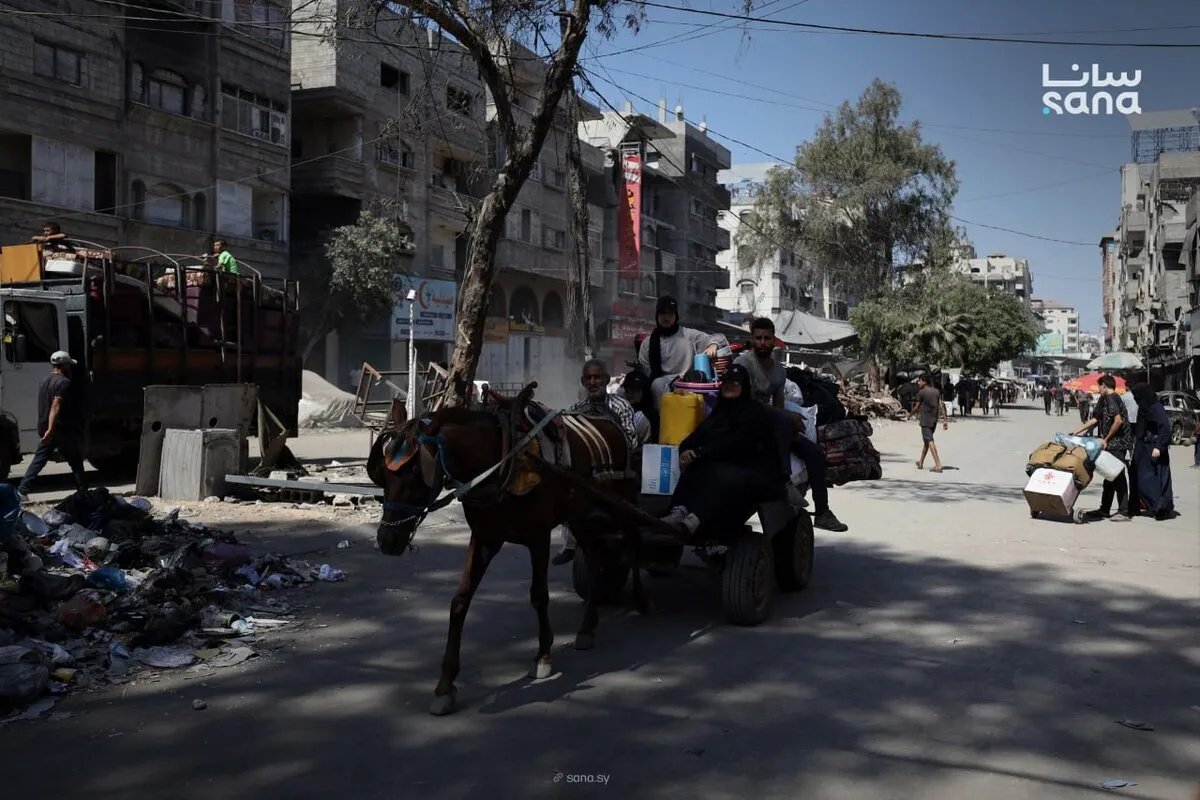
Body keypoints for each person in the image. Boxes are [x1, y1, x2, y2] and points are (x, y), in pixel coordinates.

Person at [734, 317, 847, 532]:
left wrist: (789, 417)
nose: (762, 342)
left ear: (774, 341)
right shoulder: (744, 364)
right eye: (758, 338)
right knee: (785, 422)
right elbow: (746, 403)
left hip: (770, 419)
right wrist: (785, 417)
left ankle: (822, 512)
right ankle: (784, 481)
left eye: (767, 338)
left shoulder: (779, 370)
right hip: (746, 419)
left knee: (813, 452)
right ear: (752, 339)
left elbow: (778, 403)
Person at [659, 364, 786, 536]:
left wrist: (701, 454)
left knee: (720, 474)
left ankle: (696, 519)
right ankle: (678, 511)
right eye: (726, 381)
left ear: (744, 386)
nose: (729, 385)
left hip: (752, 469)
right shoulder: (719, 411)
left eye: (735, 382)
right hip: (720, 463)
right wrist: (686, 450)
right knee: (696, 468)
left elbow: (738, 444)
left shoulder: (753, 412)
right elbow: (696, 435)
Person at [552, 359, 648, 566]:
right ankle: (569, 545)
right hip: (586, 471)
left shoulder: (621, 406)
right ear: (583, 382)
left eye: (597, 377)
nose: (593, 382)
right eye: (589, 378)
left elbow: (629, 441)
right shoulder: (576, 409)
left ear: (605, 380)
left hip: (617, 471)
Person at [17, 351, 87, 501]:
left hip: (45, 426)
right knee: (75, 459)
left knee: (39, 460)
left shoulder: (44, 380)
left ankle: (22, 491)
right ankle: (83, 491)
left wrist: (46, 429)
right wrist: (50, 430)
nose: (70, 367)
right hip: (59, 429)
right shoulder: (64, 383)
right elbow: (55, 406)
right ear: (65, 365)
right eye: (69, 364)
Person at [638, 296, 727, 407]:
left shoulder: (689, 335)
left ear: (676, 316)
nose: (666, 317)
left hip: (688, 382)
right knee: (656, 384)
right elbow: (646, 369)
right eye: (662, 313)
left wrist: (713, 345)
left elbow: (719, 338)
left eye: (670, 313)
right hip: (661, 385)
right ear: (657, 316)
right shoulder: (648, 343)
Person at [1071, 374, 1132, 520]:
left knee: (1117, 476)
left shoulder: (1113, 398)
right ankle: (1104, 509)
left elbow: (1118, 421)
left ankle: (1124, 511)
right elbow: (1095, 419)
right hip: (1110, 443)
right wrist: (1077, 432)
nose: (1098, 389)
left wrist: (1106, 439)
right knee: (1108, 476)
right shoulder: (1104, 400)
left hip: (1118, 443)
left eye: (1099, 386)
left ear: (1104, 385)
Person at [1129, 383, 1175, 520]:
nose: (1136, 399)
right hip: (1142, 447)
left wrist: (1159, 447)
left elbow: (1165, 429)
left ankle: (1160, 508)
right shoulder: (1143, 408)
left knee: (1156, 479)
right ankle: (1136, 506)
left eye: (1137, 396)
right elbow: (1139, 429)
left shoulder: (1156, 408)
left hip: (1154, 448)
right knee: (1136, 476)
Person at [908, 374, 948, 472]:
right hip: (934, 420)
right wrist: (945, 419)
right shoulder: (936, 391)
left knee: (929, 440)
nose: (918, 383)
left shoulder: (921, 393)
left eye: (919, 381)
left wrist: (909, 415)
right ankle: (921, 462)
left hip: (925, 420)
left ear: (924, 382)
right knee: (926, 441)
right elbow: (941, 405)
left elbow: (917, 407)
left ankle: (938, 464)